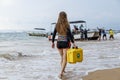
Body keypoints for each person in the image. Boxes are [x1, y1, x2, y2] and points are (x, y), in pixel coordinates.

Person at [51, 11, 76, 79]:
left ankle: (63, 70)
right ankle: (61, 73)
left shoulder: (57, 25)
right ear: (65, 17)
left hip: (59, 43)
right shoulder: (67, 24)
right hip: (65, 43)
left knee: (62, 57)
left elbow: (53, 34)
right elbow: (70, 35)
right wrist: (74, 43)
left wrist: (52, 42)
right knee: (65, 58)